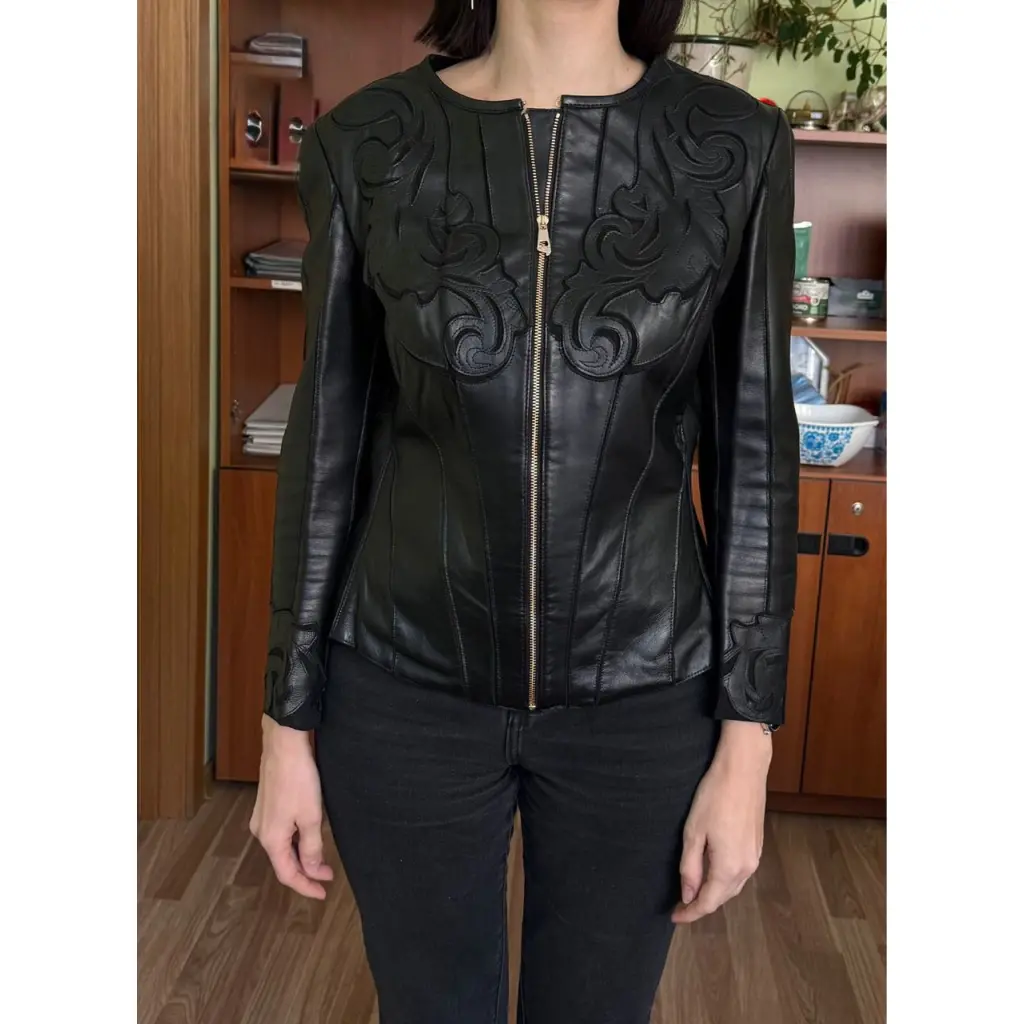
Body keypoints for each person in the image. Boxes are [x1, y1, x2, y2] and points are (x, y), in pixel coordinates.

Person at [250, 0, 798, 1020]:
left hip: (644, 695)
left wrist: (748, 735)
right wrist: (287, 727)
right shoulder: (367, 143)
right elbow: (325, 450)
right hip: (402, 689)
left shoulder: (732, 145)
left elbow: (754, 454)